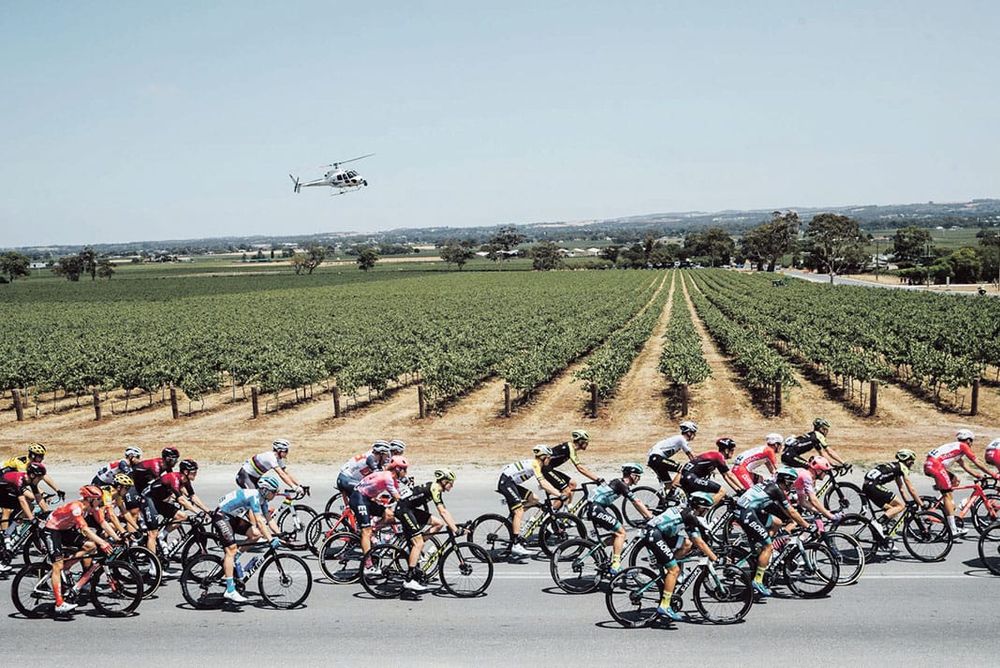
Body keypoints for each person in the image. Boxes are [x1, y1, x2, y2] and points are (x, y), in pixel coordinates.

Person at [735, 466, 810, 597]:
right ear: (785, 480)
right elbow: (790, 511)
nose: (791, 485)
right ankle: (758, 580)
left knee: (777, 522)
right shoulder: (776, 489)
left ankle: (762, 550)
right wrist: (806, 525)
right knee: (768, 547)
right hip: (746, 513)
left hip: (746, 510)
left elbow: (776, 508)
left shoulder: (771, 484)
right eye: (790, 482)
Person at [643, 491, 719, 621]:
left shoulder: (687, 512)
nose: (706, 512)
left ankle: (668, 566)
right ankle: (665, 605)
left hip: (661, 533)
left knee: (687, 544)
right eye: (706, 509)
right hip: (655, 535)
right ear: (700, 507)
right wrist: (714, 558)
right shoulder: (690, 516)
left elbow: (694, 539)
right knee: (675, 570)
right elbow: (699, 542)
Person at [42, 485, 113, 615]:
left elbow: (103, 522)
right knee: (57, 565)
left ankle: (67, 565)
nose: (100, 502)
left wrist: (117, 537)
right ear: (90, 499)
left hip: (66, 530)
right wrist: (102, 542)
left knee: (90, 546)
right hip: (52, 531)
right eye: (98, 499)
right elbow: (85, 530)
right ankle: (59, 603)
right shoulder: (76, 508)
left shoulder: (92, 507)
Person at [212, 472, 283, 603]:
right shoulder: (254, 497)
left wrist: (279, 535)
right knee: (231, 550)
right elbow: (261, 522)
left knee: (255, 535)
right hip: (221, 516)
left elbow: (269, 519)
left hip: (231, 517)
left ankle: (234, 559)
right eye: (273, 492)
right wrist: (271, 539)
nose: (275, 495)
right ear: (265, 490)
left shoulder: (263, 499)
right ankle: (230, 590)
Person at [395, 468, 463, 591]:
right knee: (419, 543)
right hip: (404, 510)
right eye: (450, 482)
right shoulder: (435, 488)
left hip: (410, 509)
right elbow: (442, 511)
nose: (452, 486)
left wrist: (455, 527)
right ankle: (409, 580)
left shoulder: (435, 488)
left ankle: (415, 545)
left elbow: (442, 513)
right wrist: (455, 529)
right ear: (444, 481)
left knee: (438, 524)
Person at [923, 430, 998, 537]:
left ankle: (943, 503)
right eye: (971, 442)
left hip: (930, 464)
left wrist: (977, 475)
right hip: (936, 465)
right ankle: (953, 529)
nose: (971, 444)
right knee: (947, 494)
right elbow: (977, 461)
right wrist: (993, 474)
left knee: (955, 481)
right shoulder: (963, 446)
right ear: (968, 440)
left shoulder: (956, 447)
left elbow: (964, 466)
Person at [496, 446, 565, 557]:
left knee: (535, 499)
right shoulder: (535, 465)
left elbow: (543, 483)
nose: (550, 460)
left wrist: (551, 490)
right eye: (549, 458)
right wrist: (559, 494)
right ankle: (516, 544)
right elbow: (543, 484)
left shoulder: (536, 464)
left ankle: (515, 513)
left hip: (511, 482)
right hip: (506, 483)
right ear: (545, 458)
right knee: (519, 511)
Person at [588, 463, 653, 574]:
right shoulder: (621, 484)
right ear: (632, 475)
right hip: (596, 509)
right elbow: (636, 502)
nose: (639, 478)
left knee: (622, 540)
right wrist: (650, 517)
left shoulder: (619, 482)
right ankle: (615, 565)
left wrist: (646, 513)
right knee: (621, 533)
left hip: (596, 508)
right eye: (638, 475)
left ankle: (597, 546)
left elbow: (636, 504)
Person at [141, 459, 212, 557]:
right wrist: (197, 512)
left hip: (159, 501)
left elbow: (193, 496)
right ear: (186, 472)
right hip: (148, 499)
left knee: (182, 516)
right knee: (152, 534)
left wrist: (208, 511)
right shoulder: (174, 478)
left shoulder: (185, 480)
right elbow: (181, 499)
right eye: (194, 472)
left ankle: (161, 537)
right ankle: (154, 568)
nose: (196, 474)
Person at [352, 456, 408, 567]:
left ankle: (372, 533)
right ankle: (367, 565)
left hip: (366, 498)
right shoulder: (388, 478)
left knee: (389, 515)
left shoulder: (392, 478)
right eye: (404, 469)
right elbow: (397, 497)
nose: (406, 472)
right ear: (397, 469)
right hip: (358, 498)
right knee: (366, 531)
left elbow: (400, 493)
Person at [0, 462, 51, 573]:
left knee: (31, 505)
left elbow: (39, 499)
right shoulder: (19, 480)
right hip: (2, 491)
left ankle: (8, 532)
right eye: (40, 478)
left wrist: (49, 515)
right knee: (25, 506)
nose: (40, 480)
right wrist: (32, 518)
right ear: (33, 476)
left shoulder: (31, 481)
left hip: (5, 491)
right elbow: (22, 501)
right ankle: (6, 537)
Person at [862, 450, 922, 535]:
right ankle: (877, 523)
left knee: (892, 510)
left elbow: (901, 488)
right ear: (907, 460)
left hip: (867, 486)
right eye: (912, 461)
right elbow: (911, 489)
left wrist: (907, 501)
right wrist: (921, 503)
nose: (912, 464)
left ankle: (883, 534)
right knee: (900, 506)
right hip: (873, 486)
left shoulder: (895, 467)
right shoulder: (902, 467)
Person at [675, 437, 743, 504]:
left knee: (696, 502)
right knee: (722, 491)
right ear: (726, 450)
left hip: (686, 476)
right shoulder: (719, 456)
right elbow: (730, 475)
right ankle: (706, 509)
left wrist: (738, 490)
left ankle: (696, 513)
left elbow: (725, 476)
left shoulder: (715, 456)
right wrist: (744, 489)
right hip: (691, 477)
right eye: (732, 450)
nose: (733, 452)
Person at [541, 430, 602, 504]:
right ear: (581, 441)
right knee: (566, 491)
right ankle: (554, 513)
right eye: (586, 442)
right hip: (544, 469)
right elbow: (580, 468)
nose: (587, 444)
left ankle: (567, 510)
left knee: (572, 484)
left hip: (548, 469)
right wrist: (597, 479)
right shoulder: (570, 448)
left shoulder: (570, 448)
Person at [93, 446, 144, 527]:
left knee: (120, 495)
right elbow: (130, 476)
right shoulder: (123, 463)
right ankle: (105, 519)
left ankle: (117, 514)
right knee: (106, 503)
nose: (139, 460)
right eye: (137, 457)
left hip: (109, 482)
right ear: (131, 456)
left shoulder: (129, 464)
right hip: (100, 482)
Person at [646, 421, 698, 494]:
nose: (694, 435)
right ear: (689, 432)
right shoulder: (681, 439)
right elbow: (691, 456)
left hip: (653, 459)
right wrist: (700, 466)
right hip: (657, 458)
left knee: (668, 485)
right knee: (683, 469)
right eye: (694, 433)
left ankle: (664, 502)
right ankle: (672, 493)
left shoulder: (679, 439)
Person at [337, 441, 392, 507]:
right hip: (345, 479)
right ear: (380, 453)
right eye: (386, 455)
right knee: (365, 493)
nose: (387, 457)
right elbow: (378, 476)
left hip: (352, 479)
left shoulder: (376, 458)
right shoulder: (371, 459)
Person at [236, 439, 303, 492]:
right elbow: (281, 474)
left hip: (255, 478)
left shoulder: (279, 459)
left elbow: (286, 473)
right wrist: (293, 487)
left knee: (266, 495)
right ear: (279, 450)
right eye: (286, 450)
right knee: (254, 498)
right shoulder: (270, 457)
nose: (287, 453)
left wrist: (299, 485)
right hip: (244, 476)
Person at [792, 456, 843, 522]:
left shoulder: (806, 474)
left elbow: (802, 502)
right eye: (825, 472)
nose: (825, 474)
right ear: (818, 471)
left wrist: (821, 512)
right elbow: (814, 500)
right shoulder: (807, 477)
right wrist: (830, 516)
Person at [782, 418, 846, 468]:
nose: (826, 431)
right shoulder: (818, 435)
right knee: (811, 468)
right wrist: (843, 463)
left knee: (812, 469)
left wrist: (833, 464)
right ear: (821, 429)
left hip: (787, 456)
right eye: (825, 429)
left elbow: (822, 454)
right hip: (790, 456)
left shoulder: (813, 437)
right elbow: (829, 451)